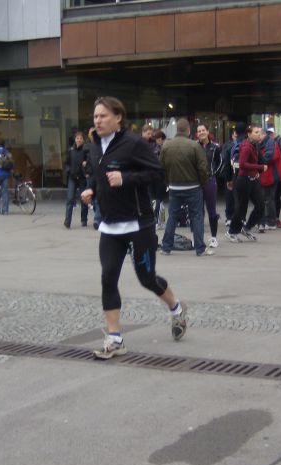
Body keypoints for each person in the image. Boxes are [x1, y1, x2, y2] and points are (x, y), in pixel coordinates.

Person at [80, 97, 188, 359]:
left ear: (118, 118)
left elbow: (157, 173)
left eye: (103, 116)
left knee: (146, 278)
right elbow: (98, 174)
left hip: (139, 224)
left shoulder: (134, 144)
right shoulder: (94, 146)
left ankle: (176, 308)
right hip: (109, 225)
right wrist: (92, 189)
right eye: (95, 116)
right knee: (108, 278)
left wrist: (126, 178)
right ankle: (115, 338)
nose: (98, 121)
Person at [160, 118, 212, 256]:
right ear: (189, 130)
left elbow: (161, 168)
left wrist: (168, 182)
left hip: (175, 187)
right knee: (196, 216)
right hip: (193, 186)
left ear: (177, 130)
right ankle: (200, 248)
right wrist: (203, 182)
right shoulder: (194, 146)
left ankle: (166, 247)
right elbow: (202, 168)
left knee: (173, 216)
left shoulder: (166, 146)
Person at [225, 124, 267, 242]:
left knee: (260, 205)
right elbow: (243, 164)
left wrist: (261, 167)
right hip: (243, 180)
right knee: (241, 208)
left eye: (260, 132)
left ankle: (247, 228)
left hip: (253, 179)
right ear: (249, 134)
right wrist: (260, 167)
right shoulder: (246, 146)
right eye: (256, 132)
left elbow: (259, 159)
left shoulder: (255, 145)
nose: (259, 134)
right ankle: (231, 231)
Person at [196, 123, 222, 248]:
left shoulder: (215, 147)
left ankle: (213, 238)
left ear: (207, 132)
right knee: (197, 211)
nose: (201, 132)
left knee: (211, 210)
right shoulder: (194, 146)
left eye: (203, 130)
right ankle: (198, 238)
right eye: (199, 131)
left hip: (210, 181)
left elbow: (220, 162)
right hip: (196, 182)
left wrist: (213, 173)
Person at [259, 126, 281, 232]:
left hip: (271, 175)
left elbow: (270, 157)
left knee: (268, 199)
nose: (257, 137)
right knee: (268, 198)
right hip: (269, 174)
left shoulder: (269, 143)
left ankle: (270, 221)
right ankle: (268, 220)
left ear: (263, 134)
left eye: (258, 134)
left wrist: (257, 162)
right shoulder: (268, 142)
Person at [64, 131, 88, 228]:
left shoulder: (86, 150)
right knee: (70, 199)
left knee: (84, 199)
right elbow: (66, 163)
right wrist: (69, 170)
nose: (79, 140)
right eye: (77, 138)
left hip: (82, 177)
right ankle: (67, 221)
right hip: (72, 178)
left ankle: (84, 219)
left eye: (80, 138)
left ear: (83, 140)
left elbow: (90, 161)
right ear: (75, 139)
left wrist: (86, 163)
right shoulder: (70, 151)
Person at [83, 127, 101, 229]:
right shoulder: (87, 147)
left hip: (98, 174)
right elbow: (81, 160)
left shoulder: (100, 146)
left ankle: (97, 219)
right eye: (91, 133)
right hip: (89, 174)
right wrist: (84, 168)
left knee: (98, 198)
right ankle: (98, 215)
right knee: (93, 198)